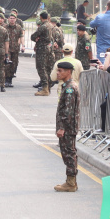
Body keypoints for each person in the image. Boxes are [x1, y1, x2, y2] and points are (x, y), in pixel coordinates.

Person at [54, 61, 80, 192]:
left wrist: (62, 127)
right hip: (67, 126)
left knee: (69, 153)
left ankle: (71, 182)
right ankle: (71, 181)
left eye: (61, 71)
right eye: (58, 71)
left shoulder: (70, 88)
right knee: (68, 153)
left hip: (68, 127)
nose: (58, 73)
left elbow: (68, 111)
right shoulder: (66, 86)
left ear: (68, 72)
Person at [30, 12, 54, 96]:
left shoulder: (43, 26)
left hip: (42, 49)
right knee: (47, 68)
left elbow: (33, 36)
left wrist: (37, 38)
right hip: (49, 48)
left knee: (41, 68)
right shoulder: (51, 25)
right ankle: (48, 87)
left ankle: (45, 88)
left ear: (41, 17)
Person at [4, 13, 23, 88]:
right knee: (7, 64)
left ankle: (10, 80)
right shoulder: (5, 27)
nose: (12, 19)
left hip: (15, 49)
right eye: (11, 18)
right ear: (8, 19)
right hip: (7, 48)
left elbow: (21, 37)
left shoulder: (18, 28)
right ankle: (6, 80)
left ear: (16, 19)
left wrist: (23, 45)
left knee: (14, 64)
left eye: (13, 18)